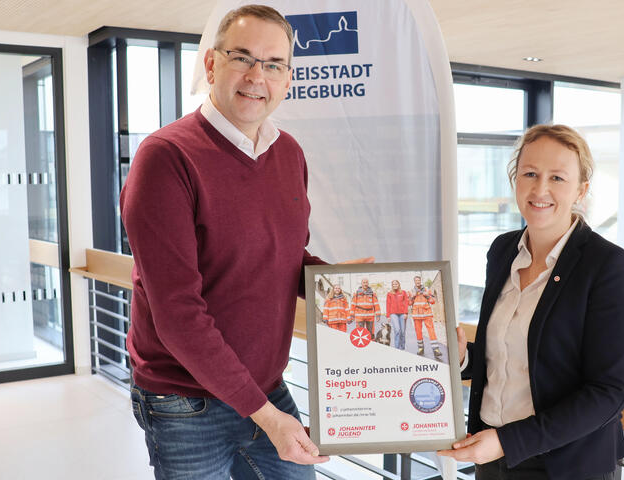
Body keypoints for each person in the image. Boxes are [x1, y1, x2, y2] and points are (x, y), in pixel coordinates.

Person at [120, 5, 368, 479]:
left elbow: (282, 258)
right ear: (212, 65)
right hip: (183, 402)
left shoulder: (288, 153)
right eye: (243, 58)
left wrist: (334, 285)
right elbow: (178, 315)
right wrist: (268, 417)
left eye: (274, 64)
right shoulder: (165, 158)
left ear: (288, 78)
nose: (258, 75)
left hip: (264, 386)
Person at [437, 124, 624, 480]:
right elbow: (511, 355)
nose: (540, 189)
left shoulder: (608, 266)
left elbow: (609, 392)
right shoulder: (502, 250)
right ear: (515, 180)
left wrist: (508, 442)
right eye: (529, 173)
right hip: (491, 453)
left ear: (582, 189)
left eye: (557, 178)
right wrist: (463, 358)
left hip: (566, 465)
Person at [409, 275, 442, 360]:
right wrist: (412, 296)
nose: (418, 282)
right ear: (414, 282)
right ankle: (421, 349)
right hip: (416, 315)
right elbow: (409, 303)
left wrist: (427, 296)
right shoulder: (411, 291)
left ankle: (436, 350)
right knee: (418, 332)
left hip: (427, 314)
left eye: (419, 280)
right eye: (416, 281)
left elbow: (433, 301)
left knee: (431, 331)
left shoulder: (427, 290)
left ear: (421, 281)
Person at [386, 279, 410, 350]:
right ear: (392, 286)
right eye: (393, 284)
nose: (395, 285)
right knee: (397, 330)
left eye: (396, 284)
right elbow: (388, 304)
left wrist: (406, 313)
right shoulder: (389, 293)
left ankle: (402, 348)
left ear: (398, 285)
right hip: (393, 314)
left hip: (402, 314)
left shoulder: (403, 292)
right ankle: (397, 348)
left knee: (402, 332)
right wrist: (388, 316)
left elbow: (406, 303)